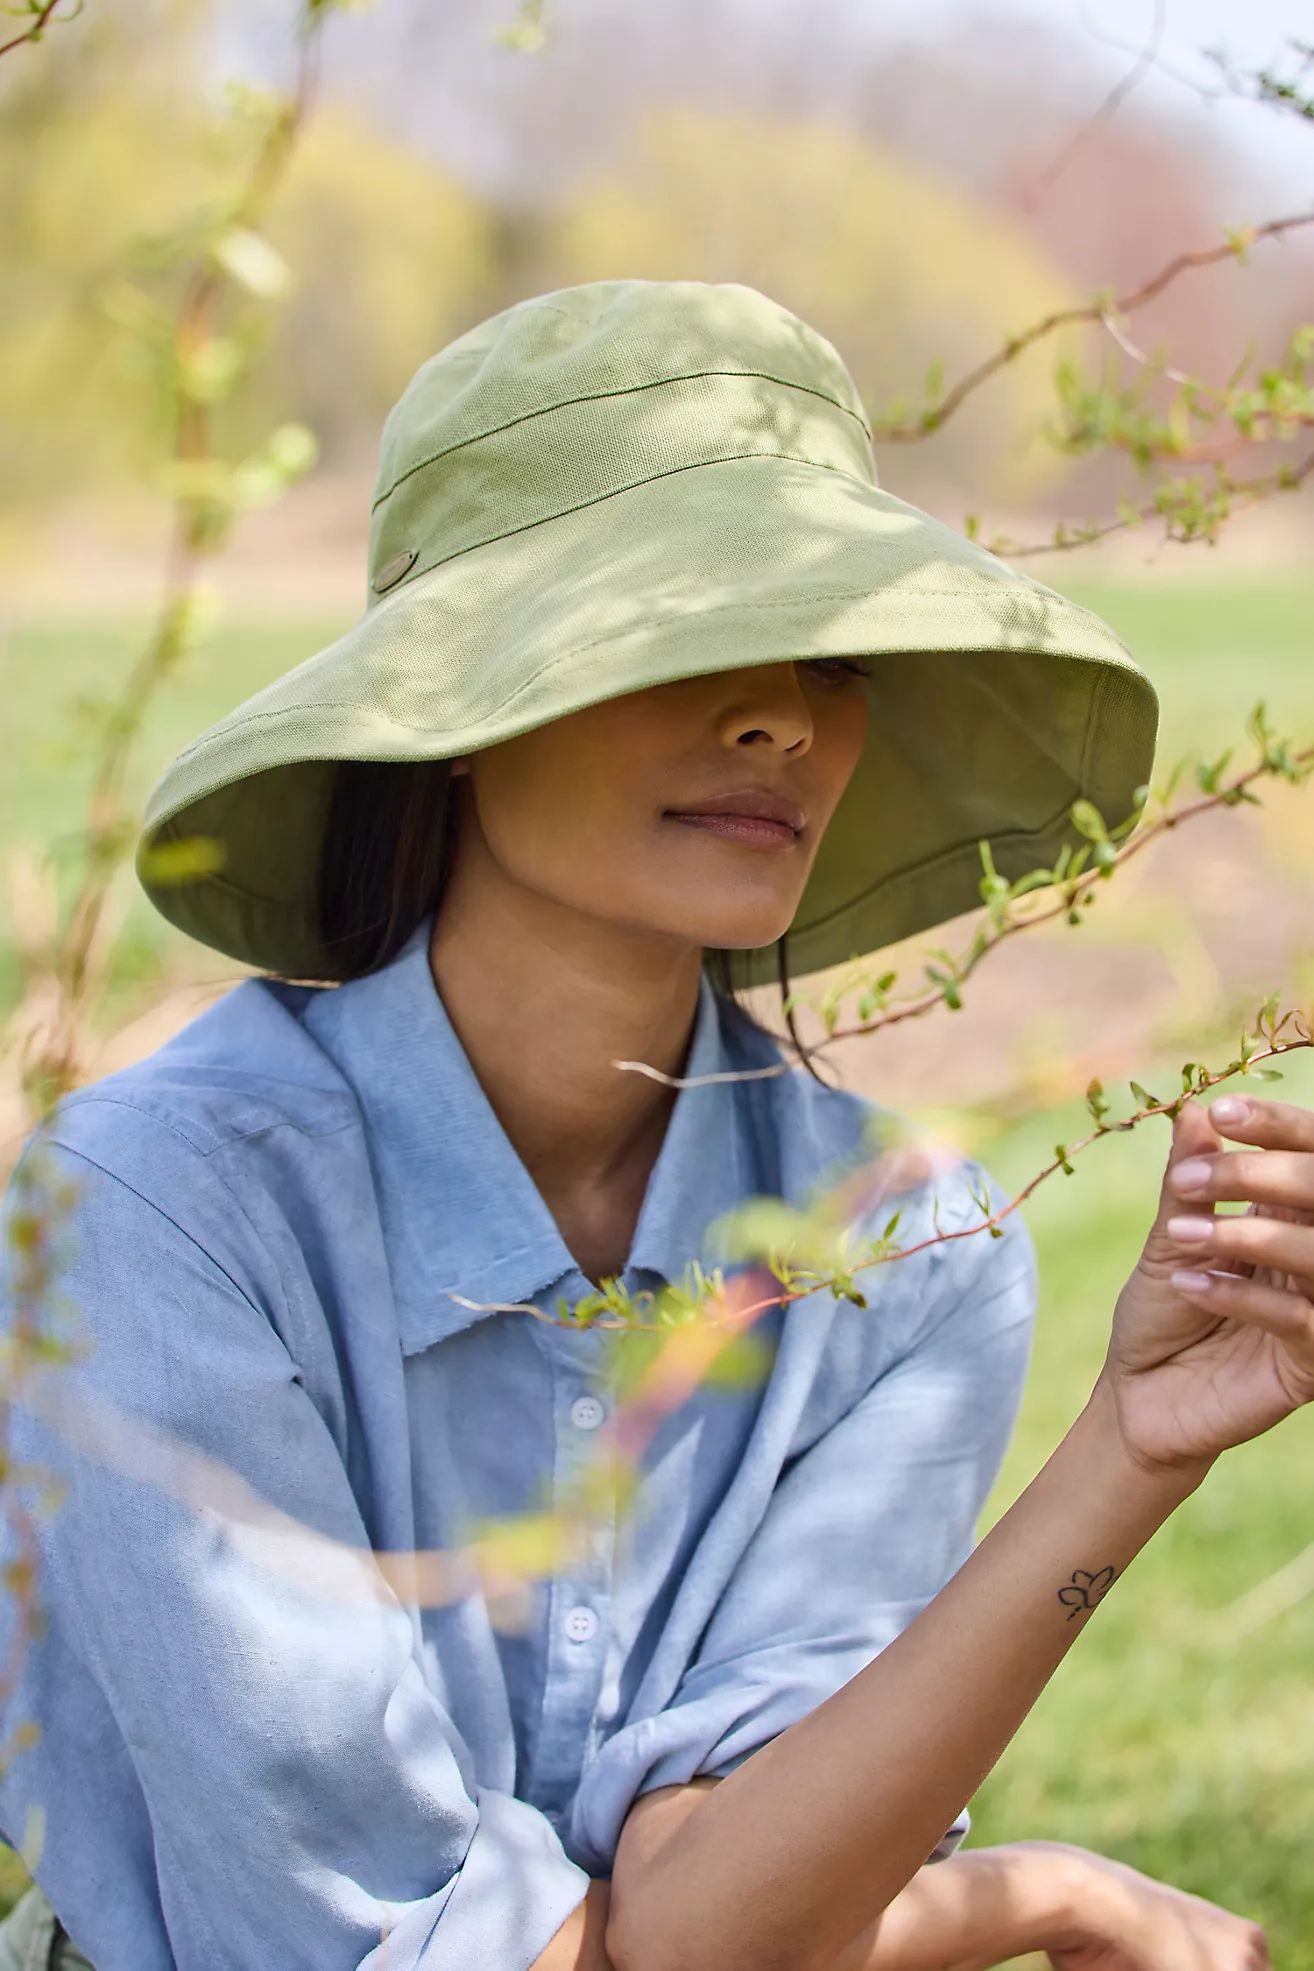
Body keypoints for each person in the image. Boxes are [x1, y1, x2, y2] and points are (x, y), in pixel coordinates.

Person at [0, 279, 1301, 1971]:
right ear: (449, 705)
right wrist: (1017, 1893)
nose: (783, 716)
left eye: (828, 650)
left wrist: (1133, 1451)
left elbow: (716, 1912)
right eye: (680, 627)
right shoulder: (152, 1213)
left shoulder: (908, 1248)